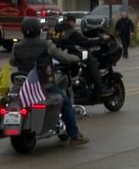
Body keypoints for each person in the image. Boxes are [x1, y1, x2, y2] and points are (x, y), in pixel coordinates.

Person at [9, 17, 89, 145]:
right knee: (66, 102)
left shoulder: (17, 46)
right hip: (43, 84)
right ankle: (74, 135)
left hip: (24, 85)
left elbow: (12, 61)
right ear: (38, 30)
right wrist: (76, 58)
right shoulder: (45, 44)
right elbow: (62, 57)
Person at [58, 16, 114, 97]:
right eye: (73, 22)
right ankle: (101, 88)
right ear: (71, 22)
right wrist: (100, 40)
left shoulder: (56, 32)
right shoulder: (72, 33)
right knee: (92, 61)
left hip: (57, 57)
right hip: (69, 56)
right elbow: (86, 42)